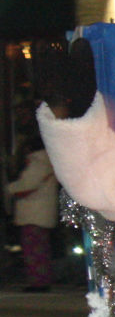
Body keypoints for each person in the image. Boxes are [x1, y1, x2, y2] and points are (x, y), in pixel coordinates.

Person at [5, 120, 58, 291]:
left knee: (34, 251)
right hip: (42, 212)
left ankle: (38, 282)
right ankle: (42, 280)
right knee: (40, 249)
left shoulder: (37, 163)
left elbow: (26, 185)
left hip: (34, 214)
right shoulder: (48, 163)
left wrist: (10, 188)